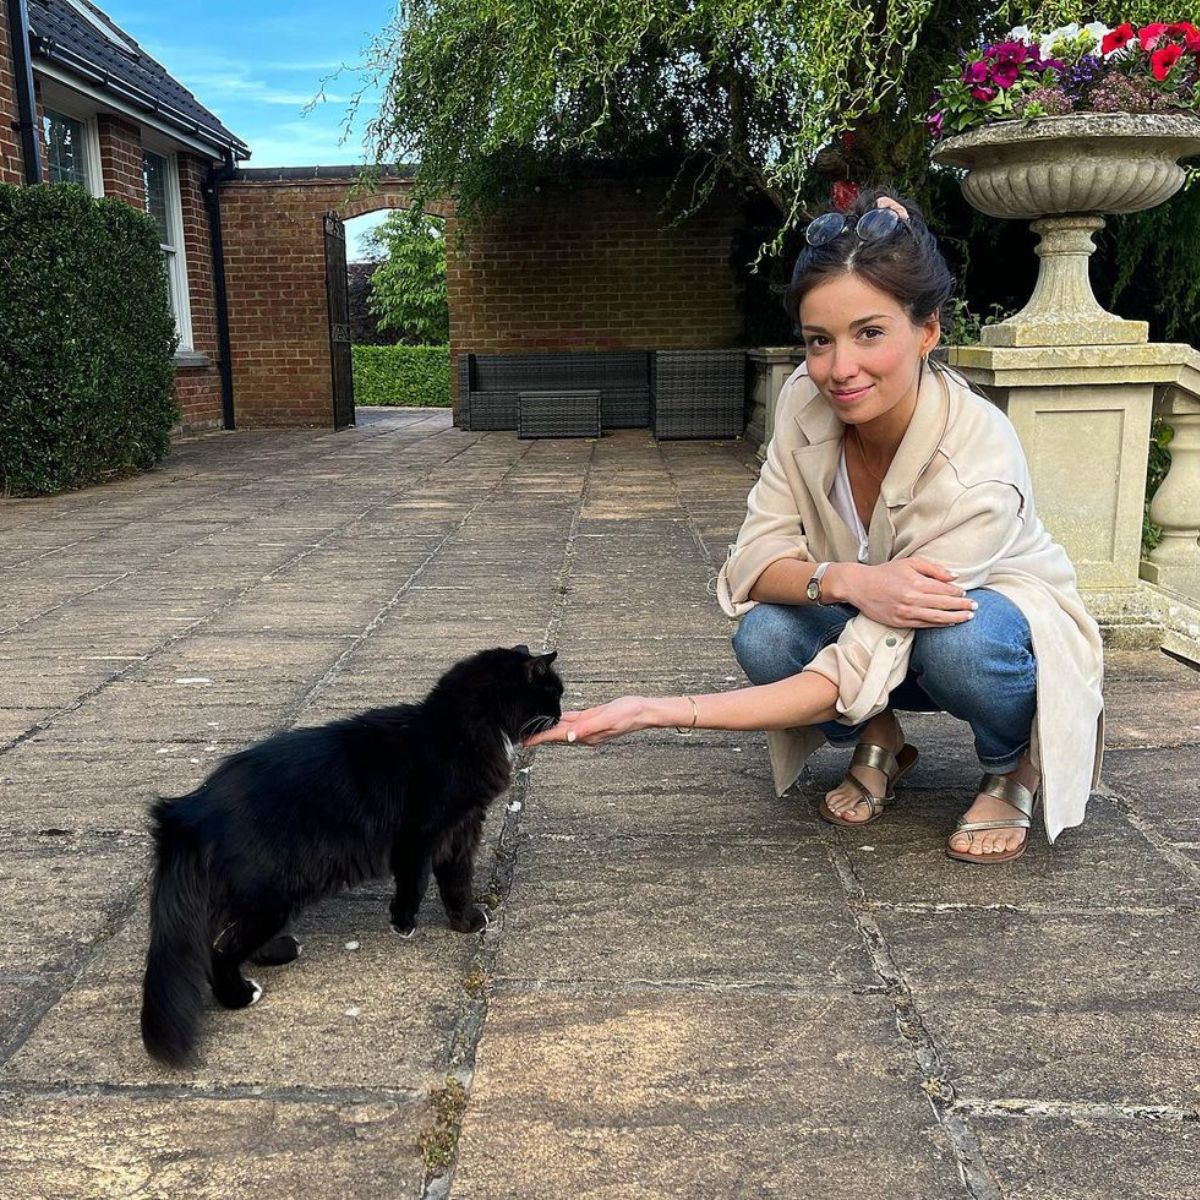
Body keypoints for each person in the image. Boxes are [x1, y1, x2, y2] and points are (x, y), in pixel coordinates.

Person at [527, 187, 1104, 864]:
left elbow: (855, 663)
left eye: (870, 333)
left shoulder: (976, 463)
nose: (839, 370)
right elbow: (751, 563)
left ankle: (1013, 766)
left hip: (988, 631)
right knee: (766, 633)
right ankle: (881, 739)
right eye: (818, 341)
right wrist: (848, 579)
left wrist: (655, 711)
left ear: (927, 331)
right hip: (876, 620)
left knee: (963, 641)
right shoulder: (804, 396)